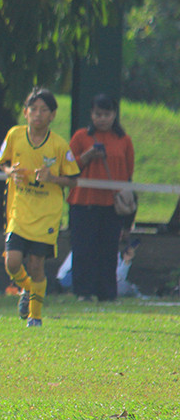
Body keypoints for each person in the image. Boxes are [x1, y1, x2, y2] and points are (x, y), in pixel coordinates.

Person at [0, 87, 80, 327]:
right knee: (11, 262)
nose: (38, 114)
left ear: (53, 115)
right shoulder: (15, 135)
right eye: (33, 109)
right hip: (20, 209)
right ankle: (29, 291)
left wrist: (53, 178)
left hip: (46, 215)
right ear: (25, 112)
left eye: (44, 110)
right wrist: (10, 171)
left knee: (36, 265)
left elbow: (73, 179)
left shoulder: (59, 145)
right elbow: (3, 162)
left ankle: (35, 317)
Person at [66, 94, 135, 301]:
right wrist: (87, 156)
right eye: (98, 114)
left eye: (107, 114)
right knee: (83, 249)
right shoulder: (80, 137)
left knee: (108, 250)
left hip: (111, 205)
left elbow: (128, 171)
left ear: (114, 115)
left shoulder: (124, 140)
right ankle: (83, 292)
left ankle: (107, 292)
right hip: (84, 201)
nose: (102, 118)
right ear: (91, 114)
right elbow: (68, 167)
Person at [57, 238, 147, 299]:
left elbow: (118, 277)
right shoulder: (84, 247)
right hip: (71, 279)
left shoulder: (112, 254)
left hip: (94, 281)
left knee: (123, 286)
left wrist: (126, 262)